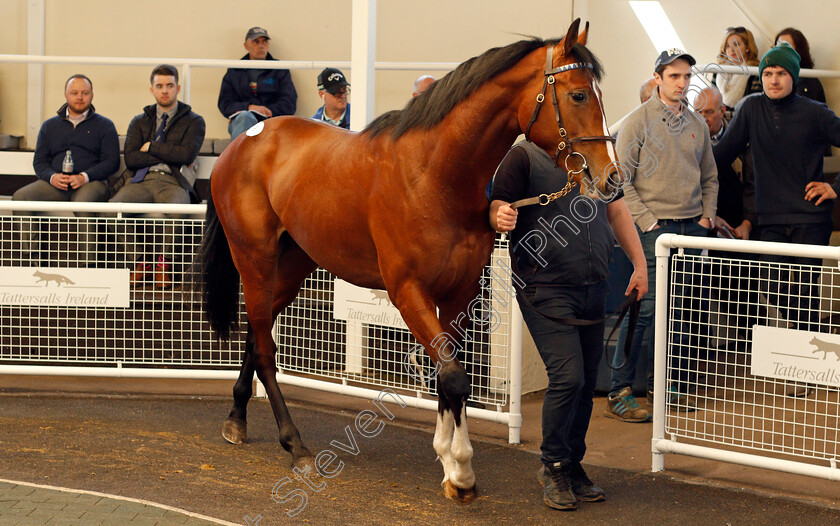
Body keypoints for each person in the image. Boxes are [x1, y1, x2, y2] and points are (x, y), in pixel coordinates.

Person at [490, 141, 647, 511]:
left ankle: (573, 464)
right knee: (568, 376)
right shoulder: (524, 156)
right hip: (544, 287)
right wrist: (499, 215)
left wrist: (640, 266)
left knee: (585, 381)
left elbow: (618, 211)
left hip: (594, 284)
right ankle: (554, 466)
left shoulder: (596, 157)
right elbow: (496, 202)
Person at [713, 43, 840, 389]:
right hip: (769, 220)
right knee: (774, 283)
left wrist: (835, 188)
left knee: (804, 292)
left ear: (794, 77)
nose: (773, 80)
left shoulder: (815, 112)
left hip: (811, 219)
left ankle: (807, 370)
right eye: (767, 73)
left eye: (781, 73)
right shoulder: (750, 108)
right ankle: (811, 353)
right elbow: (719, 156)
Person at [607, 49, 718, 422]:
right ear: (658, 77)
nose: (682, 83)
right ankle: (619, 390)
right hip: (654, 231)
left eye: (687, 76)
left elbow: (710, 178)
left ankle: (663, 387)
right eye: (674, 76)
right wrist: (647, 222)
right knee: (646, 308)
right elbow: (622, 180)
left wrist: (706, 219)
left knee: (680, 310)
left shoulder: (697, 124)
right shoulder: (637, 122)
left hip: (691, 229)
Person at [110, 64, 206, 288]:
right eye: (160, 86)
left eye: (170, 86)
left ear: (178, 88)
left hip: (173, 182)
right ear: (151, 90)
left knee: (177, 210)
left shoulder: (194, 121)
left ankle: (163, 265)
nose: (165, 91)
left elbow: (186, 154)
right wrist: (168, 153)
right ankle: (140, 262)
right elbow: (132, 159)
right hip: (141, 180)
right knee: (113, 209)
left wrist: (150, 146)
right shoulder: (139, 120)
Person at [14, 74, 119, 206]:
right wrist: (52, 177)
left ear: (92, 95)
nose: (79, 97)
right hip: (55, 185)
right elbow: (40, 162)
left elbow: (112, 162)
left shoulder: (105, 125)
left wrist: (84, 177)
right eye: (74, 93)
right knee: (20, 198)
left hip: (92, 183)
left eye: (85, 93)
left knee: (83, 203)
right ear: (66, 95)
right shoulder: (49, 126)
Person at [218, 27, 297, 139]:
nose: (261, 45)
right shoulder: (235, 70)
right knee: (245, 117)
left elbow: (289, 103)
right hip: (243, 122)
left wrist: (268, 111)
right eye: (256, 41)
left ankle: (242, 156)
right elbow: (225, 104)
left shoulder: (279, 69)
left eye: (264, 41)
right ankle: (243, 156)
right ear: (246, 45)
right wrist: (249, 107)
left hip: (271, 121)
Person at [712, 27, 762, 119]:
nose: (731, 49)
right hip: (720, 124)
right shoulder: (718, 71)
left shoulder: (756, 72)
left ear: (747, 47)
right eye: (727, 45)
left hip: (743, 123)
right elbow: (711, 102)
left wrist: (720, 116)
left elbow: (752, 109)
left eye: (736, 44)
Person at [774, 27, 825, 103]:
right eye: (778, 46)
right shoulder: (772, 76)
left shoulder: (808, 81)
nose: (780, 51)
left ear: (799, 50)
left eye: (786, 46)